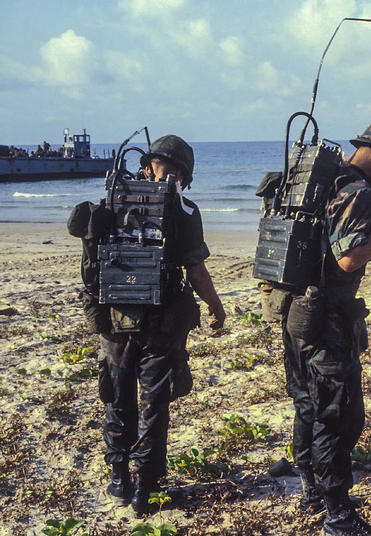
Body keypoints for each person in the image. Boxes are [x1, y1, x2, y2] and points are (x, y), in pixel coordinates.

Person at [68, 134, 227, 514]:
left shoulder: (112, 203)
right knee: (154, 404)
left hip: (117, 319)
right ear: (185, 177)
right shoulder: (185, 212)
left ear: (146, 165)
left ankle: (119, 480)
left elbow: (93, 262)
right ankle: (145, 489)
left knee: (118, 398)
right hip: (163, 322)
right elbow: (197, 271)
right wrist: (216, 308)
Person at [282, 118, 371, 536]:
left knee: (308, 403)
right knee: (338, 417)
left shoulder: (324, 181)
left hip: (297, 310)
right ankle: (337, 515)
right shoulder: (356, 192)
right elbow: (347, 260)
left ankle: (310, 491)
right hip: (327, 320)